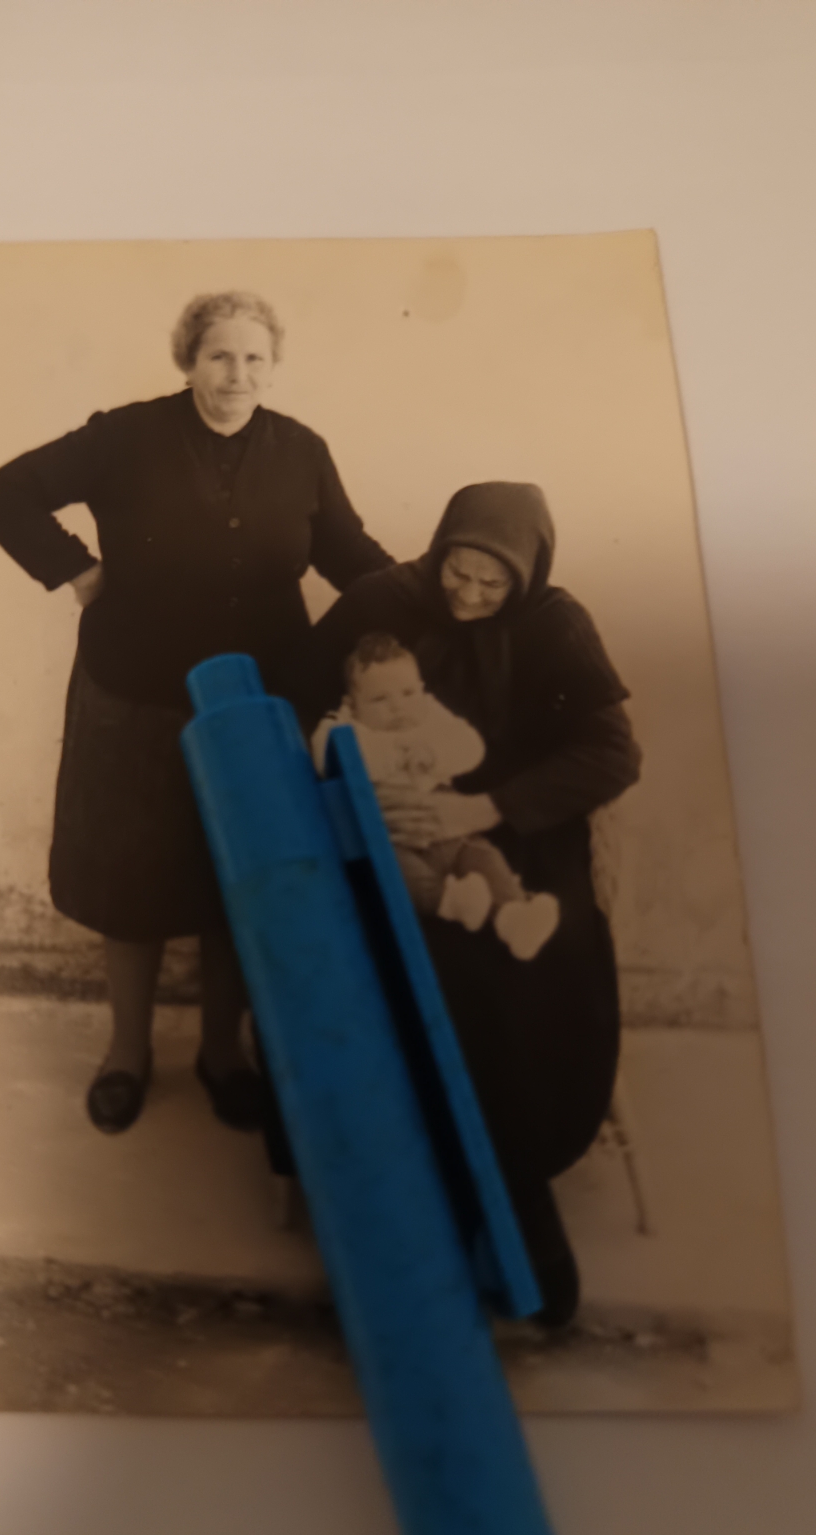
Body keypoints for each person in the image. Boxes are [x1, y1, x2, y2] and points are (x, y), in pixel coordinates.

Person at [0, 291, 392, 1137]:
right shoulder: (124, 437)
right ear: (189, 360)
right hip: (135, 700)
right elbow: (6, 490)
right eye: (219, 357)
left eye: (254, 360)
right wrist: (77, 572)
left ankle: (222, 1054)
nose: (237, 376)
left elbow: (351, 557)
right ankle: (127, 1055)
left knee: (242, 883)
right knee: (131, 886)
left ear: (272, 368)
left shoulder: (303, 451)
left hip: (260, 703)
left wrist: (424, 610)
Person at [291, 482, 641, 1326]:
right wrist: (358, 800)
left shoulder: (557, 624)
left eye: (495, 582)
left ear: (527, 576)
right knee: (384, 967)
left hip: (514, 833)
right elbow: (296, 706)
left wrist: (487, 807)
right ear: (440, 545)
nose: (470, 595)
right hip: (383, 842)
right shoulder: (383, 601)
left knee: (514, 975)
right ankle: (415, 1205)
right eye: (460, 570)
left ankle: (515, 1206)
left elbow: (611, 753)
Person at [310, 632, 561, 959]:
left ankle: (513, 914)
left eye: (408, 692)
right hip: (392, 837)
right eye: (380, 700)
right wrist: (394, 756)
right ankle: (448, 901)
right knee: (395, 875)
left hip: (448, 832)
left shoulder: (430, 716)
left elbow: (472, 747)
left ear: (422, 690)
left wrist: (434, 754)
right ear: (351, 704)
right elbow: (323, 755)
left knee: (484, 857)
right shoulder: (345, 726)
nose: (398, 706)